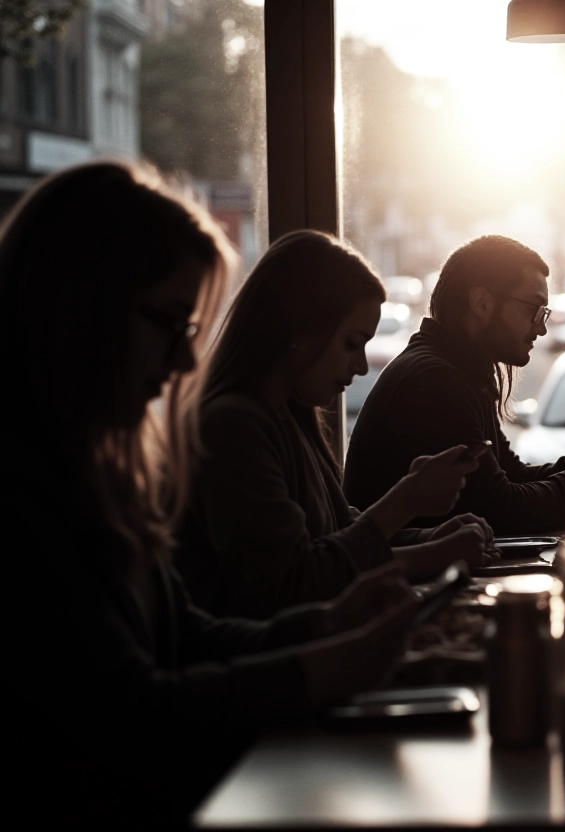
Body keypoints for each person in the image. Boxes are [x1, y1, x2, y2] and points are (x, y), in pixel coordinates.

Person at [1, 161, 424, 827]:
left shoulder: (87, 471)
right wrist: (323, 665)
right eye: (169, 324)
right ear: (80, 309)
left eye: (189, 332)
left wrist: (327, 625)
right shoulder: (26, 500)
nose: (183, 362)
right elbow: (134, 715)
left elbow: (185, 634)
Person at [174, 230, 493, 619]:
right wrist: (411, 508)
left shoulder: (289, 416)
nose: (361, 366)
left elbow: (339, 534)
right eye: (351, 343)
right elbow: (298, 582)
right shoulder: (233, 427)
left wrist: (429, 534)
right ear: (299, 330)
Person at [342, 235, 565, 534]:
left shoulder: (458, 368)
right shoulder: (435, 380)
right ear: (481, 303)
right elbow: (503, 510)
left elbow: (510, 475)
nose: (541, 329)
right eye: (534, 310)